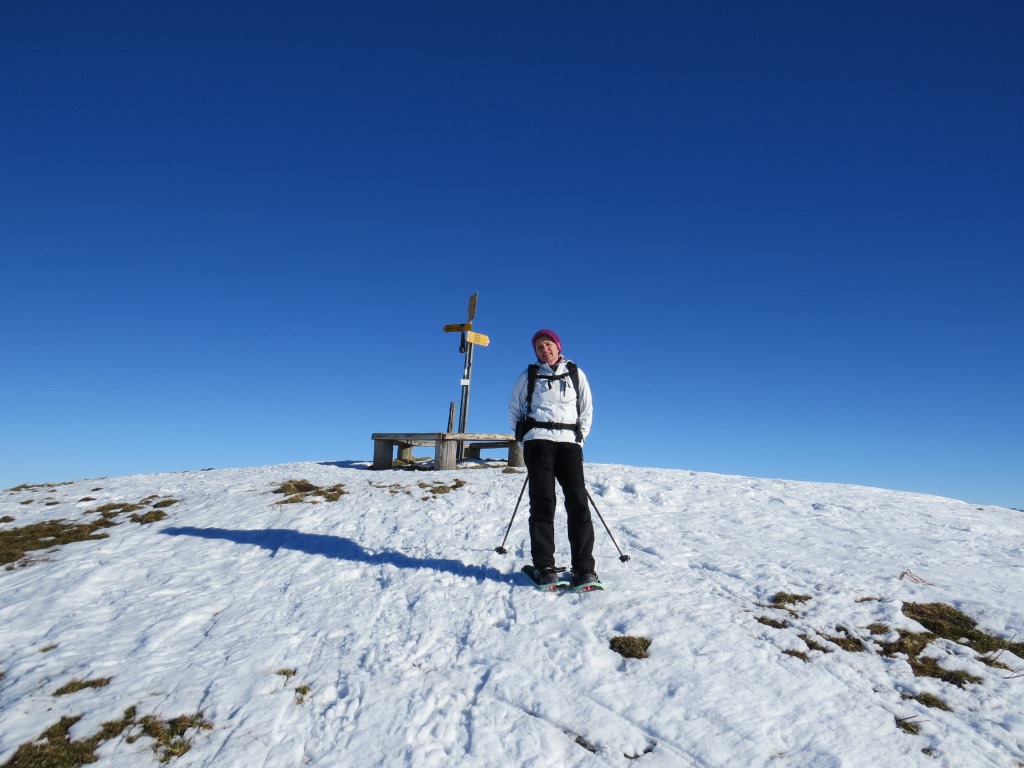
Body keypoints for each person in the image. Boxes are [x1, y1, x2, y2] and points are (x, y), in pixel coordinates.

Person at [508, 329, 598, 588]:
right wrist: (525, 439)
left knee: (578, 502)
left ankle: (584, 569)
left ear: (558, 347)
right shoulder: (528, 375)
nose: (544, 349)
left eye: (548, 344)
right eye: (539, 347)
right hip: (538, 442)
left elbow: (586, 409)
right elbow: (515, 409)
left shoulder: (576, 373)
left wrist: (579, 439)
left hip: (569, 443)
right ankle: (544, 567)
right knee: (543, 503)